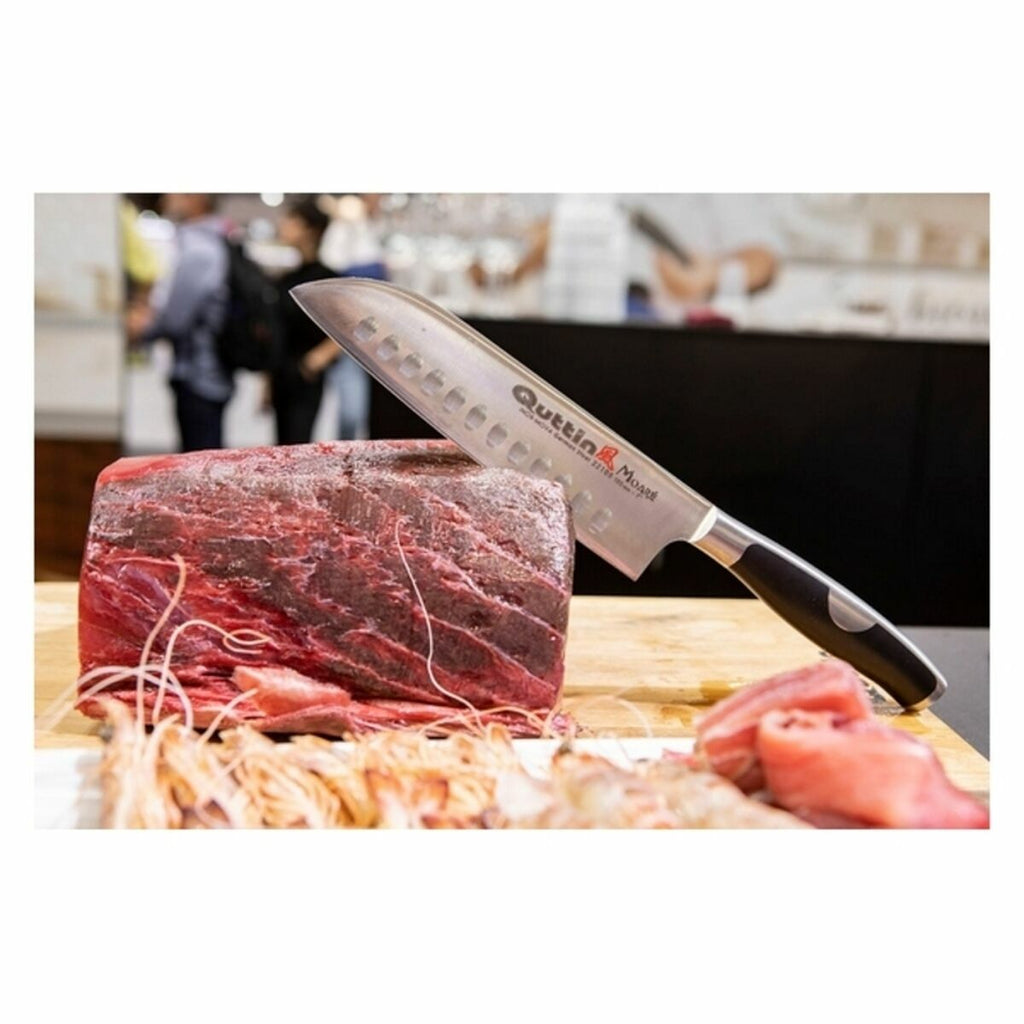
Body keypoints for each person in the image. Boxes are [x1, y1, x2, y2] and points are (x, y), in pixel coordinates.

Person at [125, 193, 233, 452]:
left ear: (196, 196)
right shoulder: (207, 241)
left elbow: (177, 319)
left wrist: (140, 330)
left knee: (201, 459)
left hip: (200, 376)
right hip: (205, 372)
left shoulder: (199, 248)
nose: (167, 197)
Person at [271, 197, 340, 444]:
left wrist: (318, 359)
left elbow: (347, 328)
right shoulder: (286, 278)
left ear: (311, 230)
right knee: (281, 447)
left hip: (305, 376)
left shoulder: (327, 279)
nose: (284, 225)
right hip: (281, 374)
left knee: (298, 442)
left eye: (293, 221)